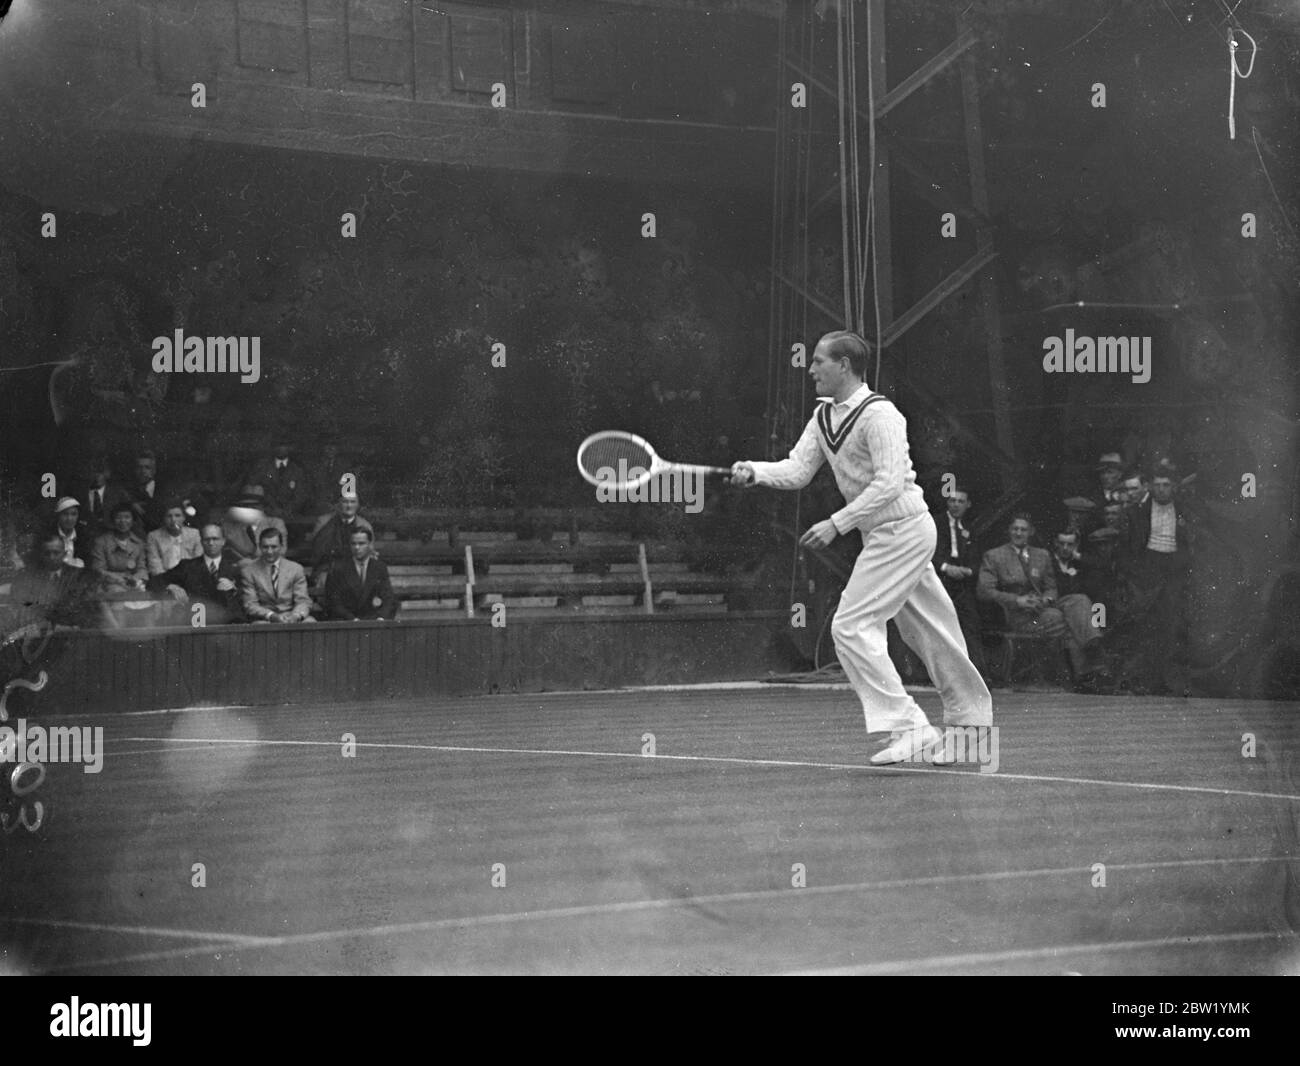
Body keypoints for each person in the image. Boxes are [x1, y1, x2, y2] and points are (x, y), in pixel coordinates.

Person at [731, 330, 992, 764]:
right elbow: (797, 470)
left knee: (849, 627)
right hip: (883, 534)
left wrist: (837, 523)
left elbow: (889, 482)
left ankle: (909, 727)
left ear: (845, 366)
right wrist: (755, 470)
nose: (810, 369)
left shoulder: (881, 415)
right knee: (929, 630)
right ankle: (970, 729)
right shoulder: (822, 418)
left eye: (818, 361)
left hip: (905, 529)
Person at [977, 515, 1070, 674]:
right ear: (1009, 531)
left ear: (1031, 532)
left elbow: (1051, 588)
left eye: (1023, 530)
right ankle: (1063, 672)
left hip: (1041, 610)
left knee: (1070, 609)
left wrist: (1045, 600)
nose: (1018, 533)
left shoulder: (1042, 555)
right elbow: (984, 591)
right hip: (1013, 614)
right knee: (1061, 620)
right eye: (1015, 529)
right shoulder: (994, 555)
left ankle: (1071, 670)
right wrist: (1018, 600)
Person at [931, 487, 988, 680]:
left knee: (970, 623)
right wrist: (946, 567)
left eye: (960, 501)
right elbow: (929, 550)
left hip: (963, 582)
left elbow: (976, 555)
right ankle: (942, 675)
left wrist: (970, 570)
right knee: (940, 625)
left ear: (968, 504)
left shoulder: (970, 527)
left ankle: (978, 675)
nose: (956, 505)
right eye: (952, 500)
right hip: (940, 578)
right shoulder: (935, 523)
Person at [153, 524, 245, 624]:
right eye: (207, 539)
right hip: (196, 626)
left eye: (215, 539)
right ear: (201, 542)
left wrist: (234, 588)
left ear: (223, 541)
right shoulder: (187, 566)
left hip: (228, 627)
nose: (211, 543)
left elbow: (248, 597)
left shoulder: (235, 567)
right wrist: (171, 586)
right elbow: (154, 582)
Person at [240, 528, 314, 624]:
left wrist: (295, 616)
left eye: (274, 547)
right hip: (265, 619)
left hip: (291, 617)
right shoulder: (249, 571)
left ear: (281, 547)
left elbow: (303, 600)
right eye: (265, 547)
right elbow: (250, 604)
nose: (269, 551)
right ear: (259, 547)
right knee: (259, 626)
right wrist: (272, 616)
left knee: (310, 623)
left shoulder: (296, 569)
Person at [324, 528, 397, 621]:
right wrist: (352, 619)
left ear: (370, 545)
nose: (357, 547)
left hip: (374, 622)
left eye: (361, 543)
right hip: (347, 623)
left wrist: (381, 618)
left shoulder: (379, 567)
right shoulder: (338, 569)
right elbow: (333, 602)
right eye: (353, 544)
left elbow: (388, 598)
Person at [146, 501, 202, 576]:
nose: (173, 520)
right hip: (164, 579)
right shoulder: (154, 536)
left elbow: (198, 561)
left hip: (189, 578)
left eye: (177, 515)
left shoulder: (194, 534)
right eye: (169, 516)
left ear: (184, 518)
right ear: (164, 518)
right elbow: (155, 566)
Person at [49, 497, 91, 568]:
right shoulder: (49, 534)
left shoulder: (84, 535)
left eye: (74, 514)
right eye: (65, 514)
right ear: (58, 516)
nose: (69, 518)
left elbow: (88, 562)